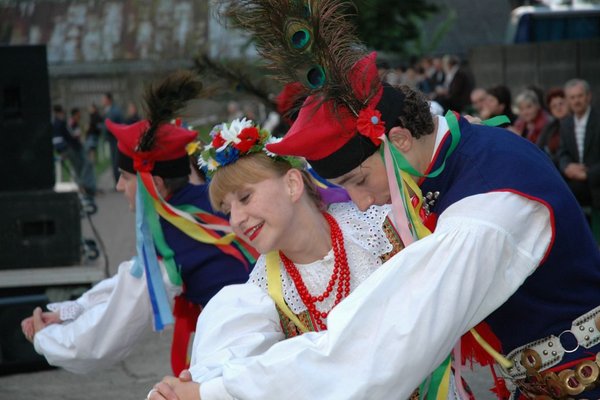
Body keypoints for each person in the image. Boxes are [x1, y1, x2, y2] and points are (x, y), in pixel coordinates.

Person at [151, 49, 600, 400]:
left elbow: (381, 340)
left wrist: (215, 391)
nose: (361, 202)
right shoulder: (462, 153)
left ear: (399, 138)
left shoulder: (483, 213)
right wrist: (214, 377)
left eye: (359, 180)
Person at [147, 118, 467, 400]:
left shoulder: (382, 227)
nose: (237, 220)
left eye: (245, 198)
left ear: (292, 183)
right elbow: (232, 352)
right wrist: (190, 388)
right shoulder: (260, 291)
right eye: (227, 210)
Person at [22, 71, 253, 376]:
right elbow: (130, 276)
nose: (118, 186)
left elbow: (109, 333)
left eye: (126, 178)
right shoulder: (202, 199)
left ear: (154, 184)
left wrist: (46, 339)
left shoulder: (172, 237)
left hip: (243, 352)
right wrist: (71, 311)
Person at [557, 78, 600, 241]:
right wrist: (567, 167)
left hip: (596, 180)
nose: (576, 101)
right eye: (572, 97)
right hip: (576, 182)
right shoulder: (566, 123)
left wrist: (589, 174)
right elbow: (562, 152)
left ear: (588, 97)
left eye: (580, 96)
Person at [52, 105, 97, 203]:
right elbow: (70, 136)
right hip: (69, 149)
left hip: (62, 149)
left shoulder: (54, 123)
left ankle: (84, 189)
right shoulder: (63, 123)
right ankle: (84, 189)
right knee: (80, 168)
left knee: (79, 168)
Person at [537, 87, 569, 167]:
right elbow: (538, 147)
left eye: (561, 104)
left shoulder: (576, 124)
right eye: (554, 106)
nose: (558, 108)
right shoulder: (549, 127)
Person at [101, 92, 124, 186]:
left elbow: (110, 125)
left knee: (116, 161)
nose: (102, 101)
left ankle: (118, 182)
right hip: (113, 139)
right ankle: (117, 182)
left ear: (108, 100)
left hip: (115, 139)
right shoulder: (110, 110)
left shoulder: (113, 111)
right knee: (115, 161)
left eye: (104, 99)